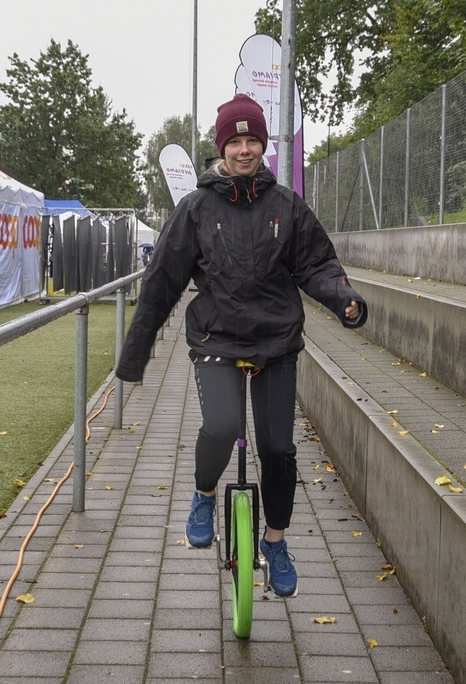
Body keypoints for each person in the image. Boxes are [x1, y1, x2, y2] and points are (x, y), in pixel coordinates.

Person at [115, 93, 367, 598]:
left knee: (278, 448)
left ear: (264, 147)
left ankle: (275, 541)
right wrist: (135, 353)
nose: (245, 149)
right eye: (236, 140)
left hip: (275, 340)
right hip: (216, 338)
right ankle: (204, 493)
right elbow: (163, 280)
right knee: (222, 425)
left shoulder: (286, 206)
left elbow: (315, 263)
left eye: (254, 140)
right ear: (221, 147)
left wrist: (344, 299)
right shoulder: (196, 208)